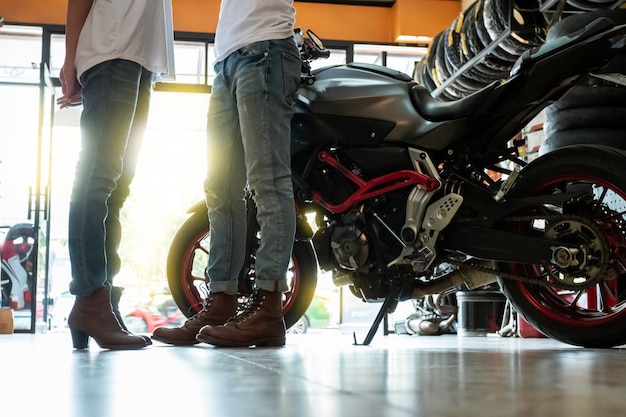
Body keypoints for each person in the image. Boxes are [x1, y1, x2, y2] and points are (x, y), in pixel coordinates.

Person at [152, 0, 301, 348]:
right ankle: (219, 303)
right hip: (227, 59)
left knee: (268, 182)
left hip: (266, 49)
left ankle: (268, 308)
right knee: (219, 188)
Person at [58, 0, 175, 350]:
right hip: (111, 48)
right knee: (97, 178)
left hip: (141, 55)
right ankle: (90, 298)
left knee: (117, 188)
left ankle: (102, 302)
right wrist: (70, 59)